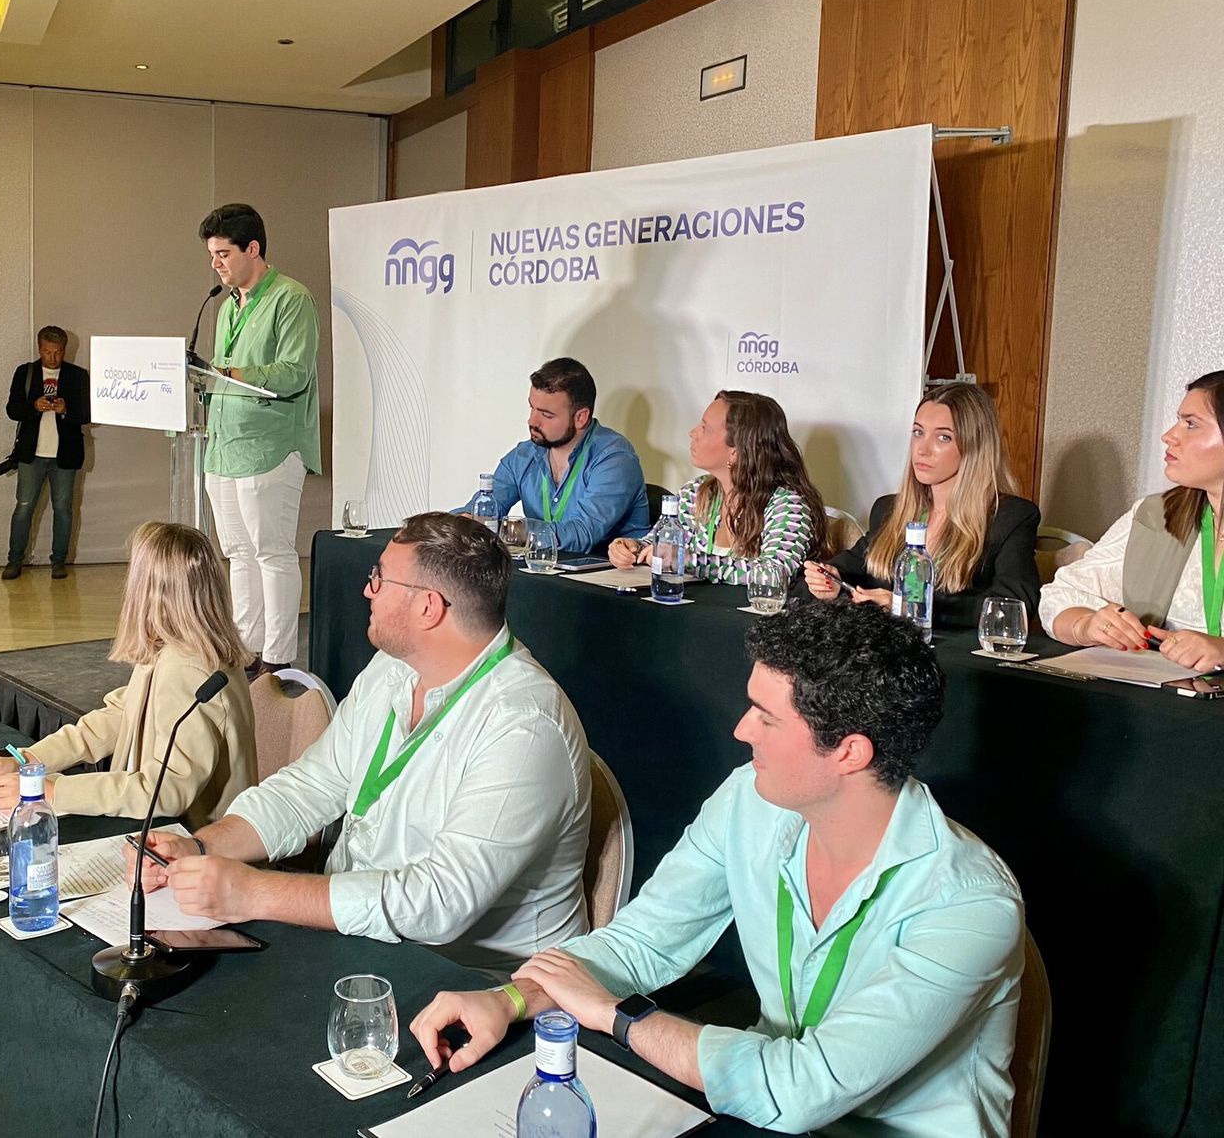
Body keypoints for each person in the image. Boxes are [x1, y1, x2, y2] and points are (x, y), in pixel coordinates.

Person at [411, 602, 1023, 1138]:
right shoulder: (749, 801)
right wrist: (511, 999)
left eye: (766, 716)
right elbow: (642, 942)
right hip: (758, 1119)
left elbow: (802, 1088)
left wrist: (617, 1016)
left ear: (849, 751)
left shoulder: (968, 903)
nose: (740, 728)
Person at [124, 511, 592, 977]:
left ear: (428, 607)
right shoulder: (393, 668)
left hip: (473, 982)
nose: (368, 590)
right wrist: (199, 849)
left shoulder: (525, 725)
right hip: (361, 946)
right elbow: (309, 787)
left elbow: (437, 902)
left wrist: (255, 892)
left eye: (379, 579)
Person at [0, 522, 257, 820]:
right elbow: (119, 717)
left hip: (191, 838)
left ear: (148, 589)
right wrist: (27, 762)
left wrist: (51, 791)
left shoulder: (188, 669)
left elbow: (166, 791)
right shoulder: (173, 648)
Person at [799, 383, 1041, 627]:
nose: (923, 450)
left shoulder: (1010, 517)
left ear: (975, 446)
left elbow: (1014, 605)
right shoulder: (889, 509)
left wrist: (911, 608)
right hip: (882, 644)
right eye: (918, 432)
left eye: (943, 437)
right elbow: (849, 569)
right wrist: (831, 582)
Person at [199, 202, 321, 677]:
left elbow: (294, 372)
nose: (216, 264)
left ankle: (278, 657)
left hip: (269, 446)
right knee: (238, 554)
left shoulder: (292, 298)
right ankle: (246, 648)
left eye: (224, 253)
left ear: (253, 249)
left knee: (272, 553)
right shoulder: (228, 305)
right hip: (223, 446)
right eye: (212, 255)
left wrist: (230, 373)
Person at [1039, 370, 1224, 672]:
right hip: (1165, 696)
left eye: (1191, 424)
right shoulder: (1155, 516)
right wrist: (1087, 625)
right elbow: (1058, 596)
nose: (1169, 436)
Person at [608, 391, 827, 583]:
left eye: (705, 428)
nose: (693, 433)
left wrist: (688, 560)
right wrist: (632, 548)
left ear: (736, 451)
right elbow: (660, 543)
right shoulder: (695, 492)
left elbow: (774, 573)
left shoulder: (788, 505)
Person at [457, 357, 648, 552]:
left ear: (580, 417)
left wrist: (510, 530)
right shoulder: (524, 455)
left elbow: (582, 534)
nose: (532, 421)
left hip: (609, 567)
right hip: (545, 563)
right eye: (531, 408)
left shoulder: (615, 458)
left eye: (546, 415)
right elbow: (484, 507)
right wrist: (465, 521)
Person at [2, 326, 91, 580]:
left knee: (63, 509)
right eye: (47, 352)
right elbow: (12, 410)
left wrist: (65, 410)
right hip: (32, 453)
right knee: (23, 507)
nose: (53, 357)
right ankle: (14, 559)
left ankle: (59, 561)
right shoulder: (26, 372)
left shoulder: (77, 375)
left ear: (65, 350)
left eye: (58, 352)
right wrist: (34, 406)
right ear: (39, 348)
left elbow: (87, 414)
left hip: (65, 454)